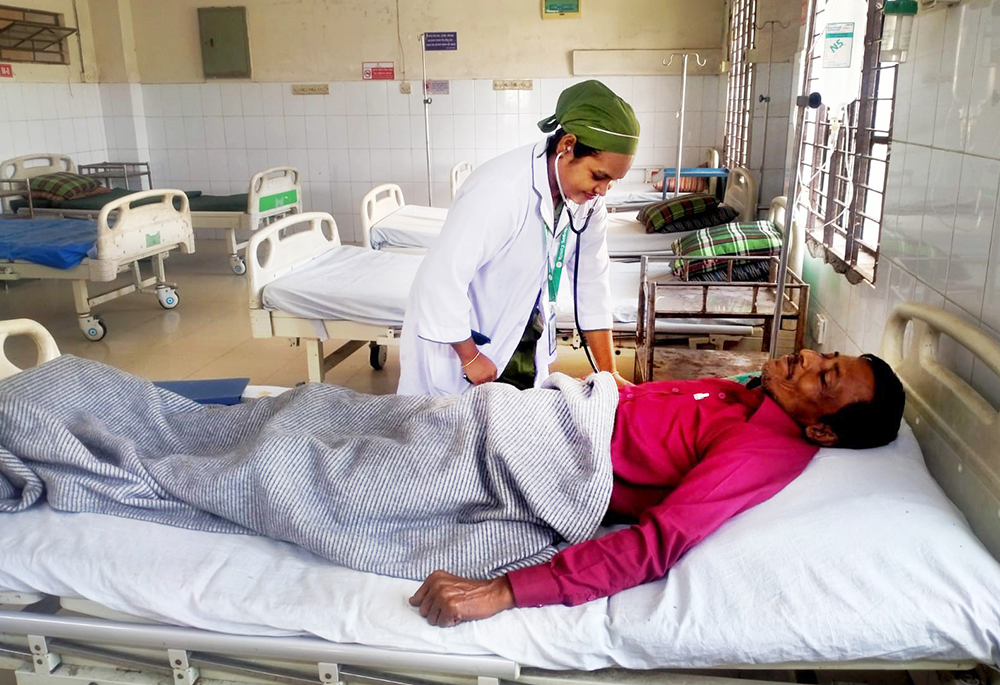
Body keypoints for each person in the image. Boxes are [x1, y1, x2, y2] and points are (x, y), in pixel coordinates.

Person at [408, 349, 906, 627]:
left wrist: (503, 591)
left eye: (825, 377)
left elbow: (657, 544)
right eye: (829, 355)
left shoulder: (759, 451)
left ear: (822, 431)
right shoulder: (756, 395)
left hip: (535, 455)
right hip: (536, 411)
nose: (810, 356)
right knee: (374, 419)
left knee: (346, 468)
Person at [398, 80, 641, 396]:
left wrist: (609, 374)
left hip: (522, 340)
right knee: (450, 436)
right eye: (599, 176)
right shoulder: (501, 189)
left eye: (613, 181)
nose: (602, 190)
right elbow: (441, 277)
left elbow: (592, 284)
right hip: (465, 350)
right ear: (567, 146)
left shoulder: (588, 204)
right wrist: (469, 355)